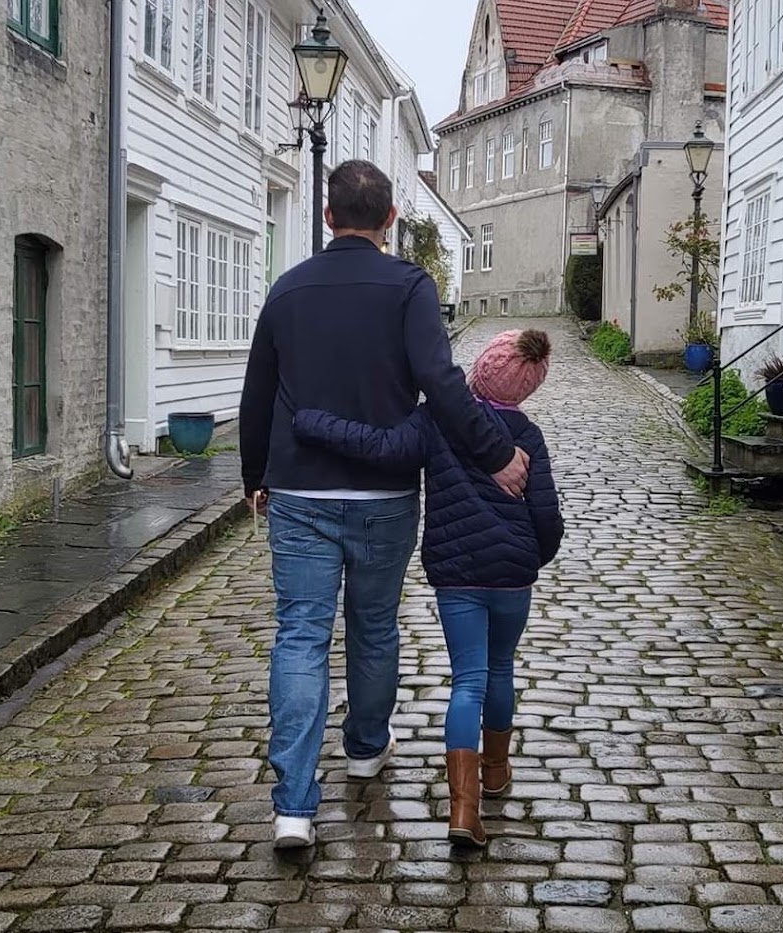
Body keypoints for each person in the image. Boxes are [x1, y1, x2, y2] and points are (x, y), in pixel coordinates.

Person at [239, 160, 531, 849]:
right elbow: (441, 380)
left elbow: (258, 392)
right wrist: (497, 453)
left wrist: (256, 473)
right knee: (373, 627)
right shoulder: (409, 288)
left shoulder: (287, 290)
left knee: (301, 635)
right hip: (384, 495)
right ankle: (367, 745)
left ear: (327, 215)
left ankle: (293, 806)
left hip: (301, 491)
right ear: (391, 218)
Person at [294, 328, 564, 847]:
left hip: (456, 576)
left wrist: (314, 422)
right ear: (528, 386)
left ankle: (465, 810)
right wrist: (532, 557)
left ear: (483, 366)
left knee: (468, 681)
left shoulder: (437, 419)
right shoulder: (528, 436)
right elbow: (547, 517)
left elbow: (382, 446)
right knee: (501, 669)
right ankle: (496, 772)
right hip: (512, 578)